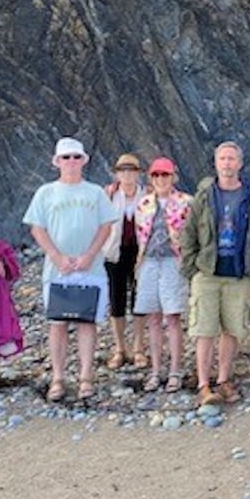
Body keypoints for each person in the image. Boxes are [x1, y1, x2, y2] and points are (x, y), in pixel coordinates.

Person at [23, 137, 117, 403]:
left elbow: (105, 226)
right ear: (57, 162)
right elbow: (37, 228)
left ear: (84, 161)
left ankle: (86, 377)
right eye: (66, 157)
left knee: (86, 322)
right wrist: (56, 256)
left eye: (77, 157)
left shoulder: (95, 192)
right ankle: (58, 378)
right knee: (58, 323)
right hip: (57, 270)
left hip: (91, 267)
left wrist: (89, 255)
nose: (72, 162)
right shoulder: (45, 193)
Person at [179, 141, 250, 406]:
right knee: (204, 330)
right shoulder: (204, 196)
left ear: (240, 164)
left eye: (232, 159)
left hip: (238, 273)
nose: (227, 163)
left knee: (233, 329)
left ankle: (224, 379)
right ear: (216, 163)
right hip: (208, 271)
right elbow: (189, 232)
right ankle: (204, 384)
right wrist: (192, 268)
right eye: (223, 159)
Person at [133, 156, 193, 394]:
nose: (160, 179)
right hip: (148, 261)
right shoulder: (144, 203)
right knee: (153, 319)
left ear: (173, 176)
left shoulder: (187, 202)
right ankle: (156, 370)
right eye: (156, 175)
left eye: (164, 175)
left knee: (173, 318)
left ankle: (175, 370)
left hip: (173, 262)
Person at [103, 153, 145, 370]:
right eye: (123, 170)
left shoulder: (147, 196)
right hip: (114, 252)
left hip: (140, 253)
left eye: (132, 170)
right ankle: (120, 347)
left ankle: (138, 347)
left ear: (138, 173)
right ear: (116, 173)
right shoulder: (108, 195)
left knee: (140, 301)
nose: (127, 174)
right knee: (116, 300)